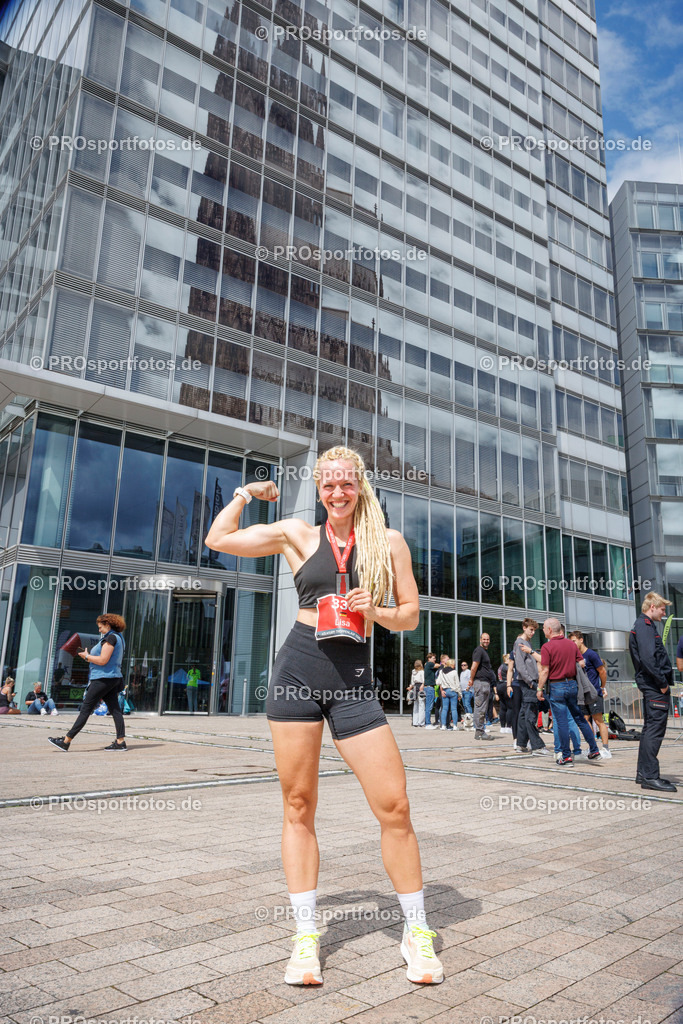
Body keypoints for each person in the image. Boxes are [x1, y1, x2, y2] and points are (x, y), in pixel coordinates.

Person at [204, 446, 443, 986]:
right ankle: (306, 936)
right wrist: (247, 494)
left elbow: (409, 616)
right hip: (298, 670)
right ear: (318, 488)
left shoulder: (390, 543)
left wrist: (373, 611)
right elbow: (218, 539)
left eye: (347, 484)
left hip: (354, 680)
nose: (338, 493)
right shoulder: (297, 535)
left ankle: (416, 930)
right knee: (298, 803)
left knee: (395, 805)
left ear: (361, 487)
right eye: (328, 485)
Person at [48, 614, 127, 752]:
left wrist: (87, 657)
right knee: (115, 710)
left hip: (103, 678)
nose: (99, 630)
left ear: (108, 625)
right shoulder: (119, 637)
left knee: (86, 709)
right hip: (112, 678)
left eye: (100, 627)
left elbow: (103, 660)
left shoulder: (111, 638)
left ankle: (66, 741)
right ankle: (120, 742)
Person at [536, 618, 601, 767]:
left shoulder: (547, 647)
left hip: (557, 685)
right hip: (572, 685)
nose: (543, 630)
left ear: (550, 630)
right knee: (579, 718)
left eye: (544, 628)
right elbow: (582, 663)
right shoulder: (571, 645)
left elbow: (545, 670)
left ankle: (566, 757)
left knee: (562, 722)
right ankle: (594, 750)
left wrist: (539, 689)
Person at [630, 592, 677, 792]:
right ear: (652, 607)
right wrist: (662, 683)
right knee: (655, 731)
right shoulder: (645, 626)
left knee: (650, 729)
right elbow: (649, 659)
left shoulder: (644, 626)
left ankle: (643, 774)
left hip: (652, 685)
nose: (664, 613)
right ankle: (650, 776)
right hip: (654, 686)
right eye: (662, 609)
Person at [569, 631, 611, 759]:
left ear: (581, 640)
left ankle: (605, 748)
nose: (572, 644)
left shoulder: (591, 654)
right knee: (585, 720)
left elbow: (602, 671)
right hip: (582, 694)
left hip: (594, 693)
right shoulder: (575, 656)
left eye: (574, 641)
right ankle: (593, 747)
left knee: (599, 721)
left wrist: (602, 687)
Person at [512, 625, 548, 756]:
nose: (533, 633)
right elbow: (520, 667)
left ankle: (521, 744)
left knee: (524, 713)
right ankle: (537, 746)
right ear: (524, 628)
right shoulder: (520, 643)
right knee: (530, 714)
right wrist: (531, 683)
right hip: (528, 683)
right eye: (530, 630)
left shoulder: (527, 643)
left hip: (529, 682)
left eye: (534, 630)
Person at [470, 633, 496, 741]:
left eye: (488, 639)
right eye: (484, 639)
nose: (486, 641)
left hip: (485, 683)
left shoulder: (484, 651)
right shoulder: (479, 651)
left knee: (483, 709)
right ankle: (479, 732)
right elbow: (474, 667)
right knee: (480, 708)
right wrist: (471, 679)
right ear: (480, 639)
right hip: (480, 683)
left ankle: (480, 732)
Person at [495, 654, 514, 734]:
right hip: (506, 685)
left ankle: (502, 726)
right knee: (510, 707)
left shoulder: (500, 667)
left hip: (499, 685)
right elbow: (511, 677)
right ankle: (508, 726)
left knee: (502, 707)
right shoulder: (507, 667)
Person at [439, 659, 460, 731]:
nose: (454, 666)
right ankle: (455, 726)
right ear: (451, 665)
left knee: (444, 709)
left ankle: (443, 725)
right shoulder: (454, 672)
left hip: (445, 691)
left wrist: (441, 691)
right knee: (454, 709)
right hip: (453, 691)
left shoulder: (441, 671)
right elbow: (457, 684)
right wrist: (460, 694)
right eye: (454, 664)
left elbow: (438, 682)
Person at [408, 660, 425, 727]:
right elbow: (424, 681)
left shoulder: (413, 672)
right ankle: (421, 722)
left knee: (415, 705)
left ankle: (415, 722)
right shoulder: (422, 672)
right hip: (420, 687)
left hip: (414, 687)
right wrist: (422, 686)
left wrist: (410, 688)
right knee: (421, 705)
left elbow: (412, 682)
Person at [423, 653, 437, 729]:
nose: (434, 659)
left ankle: (427, 722)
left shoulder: (427, 664)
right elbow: (437, 665)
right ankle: (428, 723)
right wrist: (443, 663)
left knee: (428, 706)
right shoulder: (429, 664)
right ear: (429, 658)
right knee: (429, 706)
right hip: (429, 688)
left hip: (428, 687)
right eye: (433, 658)